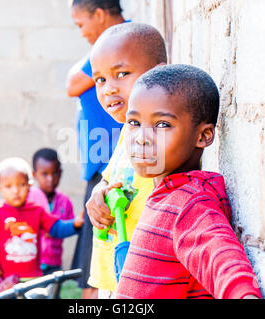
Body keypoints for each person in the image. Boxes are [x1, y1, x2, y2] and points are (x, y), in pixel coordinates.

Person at [116, 64, 262, 299]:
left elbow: (221, 258)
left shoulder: (190, 203)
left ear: (203, 136)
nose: (141, 138)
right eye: (134, 123)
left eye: (162, 125)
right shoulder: (165, 194)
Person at [85, 22, 167, 298]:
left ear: (157, 73)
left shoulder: (164, 135)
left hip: (144, 275)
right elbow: (110, 177)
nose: (108, 89)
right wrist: (98, 194)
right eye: (100, 79)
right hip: (112, 273)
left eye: (121, 74)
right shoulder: (127, 131)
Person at [67, 0, 126, 299]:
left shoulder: (120, 41)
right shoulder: (109, 45)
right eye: (101, 79)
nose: (81, 33)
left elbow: (73, 83)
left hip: (111, 164)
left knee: (96, 273)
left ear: (100, 15)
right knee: (94, 267)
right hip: (101, 167)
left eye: (81, 24)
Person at [0, 157, 84, 289]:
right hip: (6, 280)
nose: (15, 191)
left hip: (33, 279)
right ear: (1, 189)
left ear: (29, 186)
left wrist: (75, 224)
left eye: (21, 185)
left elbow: (56, 228)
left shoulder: (37, 210)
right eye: (8, 186)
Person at [27, 148, 75, 276]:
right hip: (33, 263)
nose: (50, 179)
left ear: (60, 173)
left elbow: (70, 226)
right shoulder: (29, 198)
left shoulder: (65, 201)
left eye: (55, 173)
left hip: (55, 262)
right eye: (45, 174)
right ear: (34, 174)